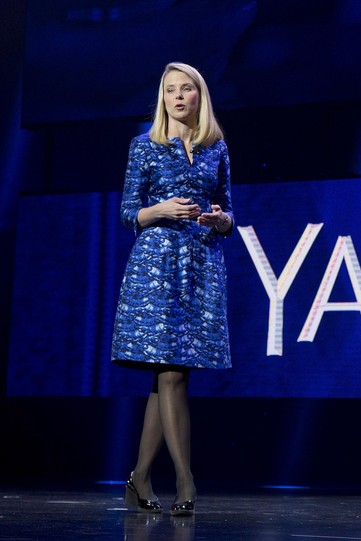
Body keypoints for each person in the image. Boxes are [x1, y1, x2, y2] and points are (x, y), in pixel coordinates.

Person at [111, 62, 234, 516]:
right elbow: (128, 214)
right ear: (162, 98)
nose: (178, 97)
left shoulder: (216, 147)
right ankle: (185, 479)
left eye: (186, 89)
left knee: (167, 379)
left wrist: (221, 221)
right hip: (155, 270)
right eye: (169, 90)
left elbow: (230, 215)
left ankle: (139, 477)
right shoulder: (143, 147)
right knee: (170, 374)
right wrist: (159, 209)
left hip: (200, 267)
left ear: (200, 96)